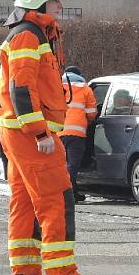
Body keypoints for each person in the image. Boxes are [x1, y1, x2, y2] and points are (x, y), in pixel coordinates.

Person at [0, 0, 104, 275]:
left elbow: (23, 86)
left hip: (18, 134)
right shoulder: (28, 36)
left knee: (25, 205)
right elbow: (22, 88)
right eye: (56, 0)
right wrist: (40, 131)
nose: (59, 6)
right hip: (31, 135)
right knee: (56, 200)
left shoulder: (28, 33)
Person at [58, 66, 97, 202]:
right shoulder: (85, 89)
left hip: (58, 132)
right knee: (72, 166)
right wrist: (88, 121)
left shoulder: (57, 87)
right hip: (76, 133)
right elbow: (92, 113)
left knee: (62, 165)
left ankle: (73, 193)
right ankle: (66, 195)